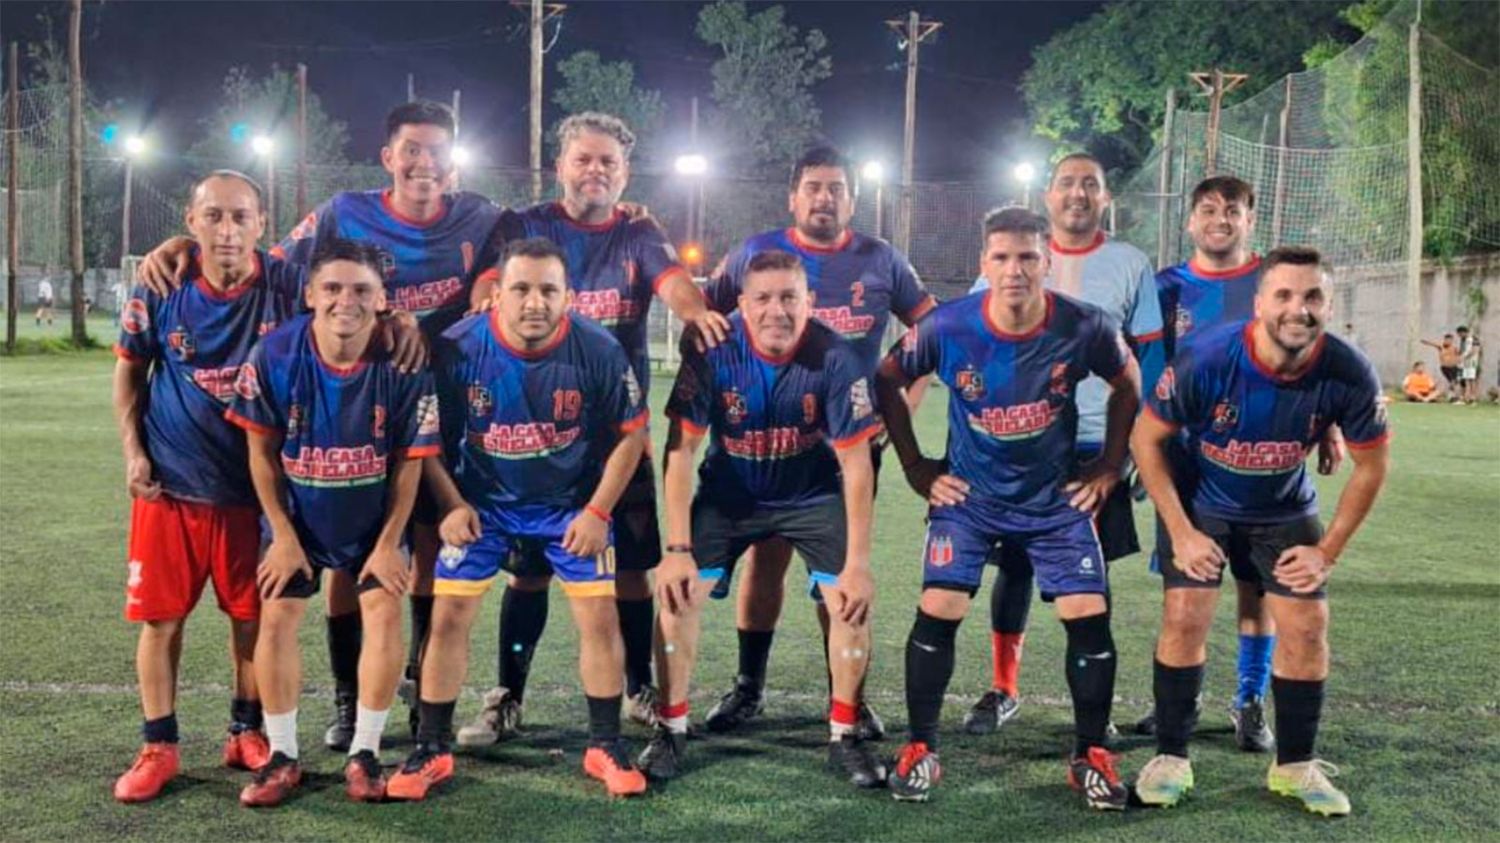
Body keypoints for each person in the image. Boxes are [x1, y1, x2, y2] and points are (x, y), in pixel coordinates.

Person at [138, 100, 488, 749]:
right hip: (346, 398)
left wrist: (407, 319)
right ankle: (349, 703)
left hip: (434, 396)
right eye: (411, 148)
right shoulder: (340, 213)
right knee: (343, 567)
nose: (424, 162)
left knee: (422, 557)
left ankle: (417, 692)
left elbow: (520, 249)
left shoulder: (481, 214)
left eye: (438, 150)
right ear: (388, 156)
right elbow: (266, 256)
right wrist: (192, 243)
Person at [457, 112, 730, 746]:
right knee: (528, 572)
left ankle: (638, 688)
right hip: (537, 438)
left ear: (625, 172)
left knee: (631, 570)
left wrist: (697, 316)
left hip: (616, 437)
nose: (595, 171)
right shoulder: (524, 224)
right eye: (583, 158)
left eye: (608, 161)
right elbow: (490, 280)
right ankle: (508, 696)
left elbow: (674, 285)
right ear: (560, 166)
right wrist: (484, 298)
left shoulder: (638, 231)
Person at [878, 207, 1141, 809]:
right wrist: (916, 466)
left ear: (1047, 262)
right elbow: (886, 378)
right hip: (970, 499)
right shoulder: (947, 327)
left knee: (1088, 611)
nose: (1015, 270)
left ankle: (1091, 754)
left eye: (1027, 257)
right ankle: (921, 748)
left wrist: (1110, 464)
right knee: (940, 604)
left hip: (1054, 500)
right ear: (984, 264)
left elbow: (1129, 383)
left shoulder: (1086, 325)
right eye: (1002, 257)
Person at [386, 237, 650, 801]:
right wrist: (452, 505)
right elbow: (426, 439)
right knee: (448, 617)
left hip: (568, 508)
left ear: (569, 297)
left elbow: (632, 438)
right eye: (522, 289)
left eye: (548, 290)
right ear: (497, 294)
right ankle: (432, 748)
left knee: (599, 617)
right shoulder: (458, 348)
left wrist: (597, 511)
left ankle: (605, 744)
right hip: (484, 508)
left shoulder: (599, 349)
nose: (535, 302)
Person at [1131, 246, 1390, 817]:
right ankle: (1170, 757)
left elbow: (1372, 465)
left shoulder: (1349, 370)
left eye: (1313, 296)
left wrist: (1327, 552)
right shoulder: (1207, 358)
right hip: (1202, 502)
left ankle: (1295, 766)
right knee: (1184, 615)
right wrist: (1182, 532)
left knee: (1309, 625)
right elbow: (1145, 439)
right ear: (1259, 304)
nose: (1299, 308)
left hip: (1282, 509)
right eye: (1284, 295)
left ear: (1329, 306)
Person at [691, 145, 934, 740]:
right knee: (765, 560)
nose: (825, 198)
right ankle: (748, 687)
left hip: (845, 448)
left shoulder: (883, 259)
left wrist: (898, 411)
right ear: (793, 197)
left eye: (836, 188)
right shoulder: (755, 253)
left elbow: (931, 333)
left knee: (840, 578)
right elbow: (703, 318)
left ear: (852, 199)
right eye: (814, 187)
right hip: (762, 441)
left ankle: (846, 698)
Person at [639, 249, 884, 788]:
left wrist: (859, 563)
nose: (777, 310)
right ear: (743, 305)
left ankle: (845, 734)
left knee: (848, 599)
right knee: (677, 594)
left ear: (809, 301)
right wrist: (677, 550)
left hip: (811, 494)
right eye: (764, 299)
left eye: (789, 297)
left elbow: (856, 463)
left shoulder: (837, 356)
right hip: (730, 495)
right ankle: (671, 729)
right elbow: (680, 452)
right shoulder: (714, 349)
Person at [109, 171, 303, 803]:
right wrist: (133, 452)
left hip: (255, 494)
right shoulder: (161, 286)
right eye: (213, 216)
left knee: (250, 619)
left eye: (240, 217)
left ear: (262, 224)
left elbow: (349, 295)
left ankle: (245, 730)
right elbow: (130, 371)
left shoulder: (288, 284)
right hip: (172, 487)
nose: (227, 230)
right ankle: (158, 746)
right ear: (190, 223)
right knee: (161, 620)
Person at [226, 240, 440, 807]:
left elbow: (409, 463)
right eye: (333, 288)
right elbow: (261, 455)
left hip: (372, 520)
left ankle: (365, 752)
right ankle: (282, 756)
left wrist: (390, 543)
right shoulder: (274, 354)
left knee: (384, 608)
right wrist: (282, 536)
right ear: (310, 295)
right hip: (298, 519)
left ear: (383, 298)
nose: (347, 300)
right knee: (277, 615)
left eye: (361, 290)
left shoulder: (403, 363)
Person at [963, 153, 1162, 737]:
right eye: (1067, 183)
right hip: (1022, 446)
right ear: (1048, 195)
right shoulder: (1012, 258)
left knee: (1090, 577)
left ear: (1106, 197)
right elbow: (973, 344)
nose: (1078, 193)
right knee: (1014, 567)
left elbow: (1150, 359)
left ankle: (1092, 708)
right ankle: (1003, 687)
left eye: (1090, 184)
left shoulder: (1130, 263)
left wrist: (1130, 450)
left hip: (1098, 446)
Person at [1137, 176, 1284, 749]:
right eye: (1208, 209)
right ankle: (1177, 702)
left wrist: (1326, 427)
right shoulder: (1165, 287)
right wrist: (1141, 443)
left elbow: (1308, 352)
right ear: (1190, 221)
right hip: (1186, 460)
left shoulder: (1272, 281)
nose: (1220, 219)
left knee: (1256, 585)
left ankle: (1249, 700)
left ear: (1250, 220)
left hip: (1260, 455)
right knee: (1183, 590)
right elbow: (1149, 368)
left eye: (1232, 210)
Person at [1420, 333, 1463, 400]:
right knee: (1452, 382)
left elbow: (1459, 355)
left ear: (1452, 341)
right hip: (1445, 367)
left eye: (1450, 340)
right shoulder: (1441, 346)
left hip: (1453, 367)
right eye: (1447, 340)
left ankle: (1453, 395)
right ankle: (1453, 396)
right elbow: (1433, 344)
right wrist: (1426, 342)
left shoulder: (1455, 348)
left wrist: (1458, 361)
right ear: (1445, 340)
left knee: (1454, 382)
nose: (1448, 341)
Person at [1459, 327, 1482, 404]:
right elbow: (1465, 351)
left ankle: (1473, 397)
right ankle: (1467, 397)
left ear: (1464, 332)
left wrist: (1463, 357)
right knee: (1466, 379)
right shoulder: (1464, 340)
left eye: (1460, 333)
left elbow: (1474, 350)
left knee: (1472, 379)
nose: (1460, 335)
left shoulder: (1474, 339)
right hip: (1466, 363)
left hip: (1472, 362)